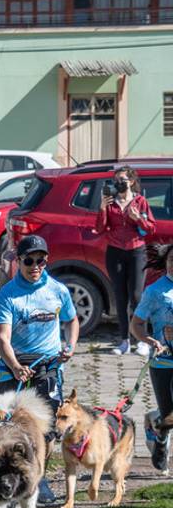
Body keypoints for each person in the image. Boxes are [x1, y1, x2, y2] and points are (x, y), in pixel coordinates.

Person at [0, 234, 80, 504]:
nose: (35, 266)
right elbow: (2, 339)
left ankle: (38, 479)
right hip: (14, 366)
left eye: (40, 260)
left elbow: (72, 320)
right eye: (29, 260)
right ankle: (11, 479)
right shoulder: (6, 295)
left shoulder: (57, 290)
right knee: (13, 428)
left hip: (48, 367)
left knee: (48, 429)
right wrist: (16, 366)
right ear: (18, 261)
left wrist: (70, 345)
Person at [95, 166, 155, 356]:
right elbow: (100, 228)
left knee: (137, 296)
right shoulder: (111, 203)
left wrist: (138, 218)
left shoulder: (140, 201)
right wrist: (102, 208)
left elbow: (151, 228)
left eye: (122, 179)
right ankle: (124, 341)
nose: (118, 183)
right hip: (115, 252)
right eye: (115, 180)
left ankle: (142, 340)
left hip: (137, 251)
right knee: (120, 298)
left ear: (131, 181)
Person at [130, 243, 173, 472]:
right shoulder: (155, 291)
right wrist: (149, 341)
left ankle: (158, 421)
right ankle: (158, 435)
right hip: (163, 361)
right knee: (168, 415)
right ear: (166, 262)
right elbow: (136, 324)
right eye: (172, 259)